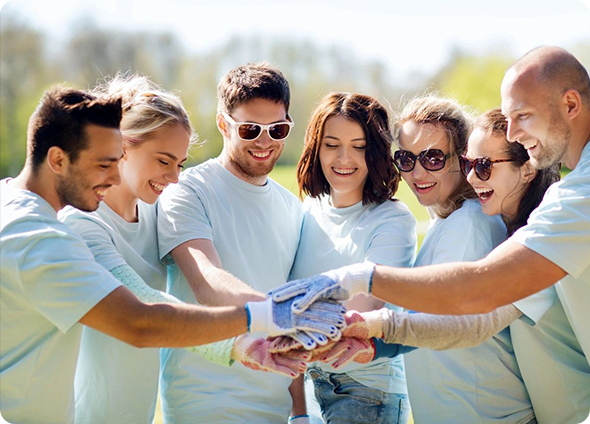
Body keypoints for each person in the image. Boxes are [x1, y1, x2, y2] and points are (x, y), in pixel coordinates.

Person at [0, 86, 343, 424]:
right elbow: (143, 313)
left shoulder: (151, 214)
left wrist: (252, 344)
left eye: (179, 163)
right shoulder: (58, 230)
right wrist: (262, 320)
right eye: (105, 163)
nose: (175, 177)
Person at [268, 46, 590, 367]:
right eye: (406, 159)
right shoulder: (563, 196)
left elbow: (477, 293)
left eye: (523, 116)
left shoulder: (573, 197)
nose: (513, 133)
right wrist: (382, 339)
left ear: (571, 104)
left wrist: (359, 279)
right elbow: (479, 321)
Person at [343, 109, 588, 423]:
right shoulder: (502, 229)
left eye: (483, 166)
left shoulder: (520, 241)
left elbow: (469, 323)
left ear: (527, 168)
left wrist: (363, 290)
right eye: (470, 164)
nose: (472, 177)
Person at [157, 62, 327, 423]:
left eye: (278, 129)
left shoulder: (290, 207)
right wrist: (284, 314)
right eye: (251, 129)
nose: (265, 141)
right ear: (223, 124)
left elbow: (289, 295)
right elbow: (207, 282)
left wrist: (299, 411)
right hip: (205, 403)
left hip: (275, 406)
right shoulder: (187, 192)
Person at [390, 96, 534, 423]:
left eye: (433, 158)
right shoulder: (451, 221)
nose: (417, 172)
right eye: (406, 159)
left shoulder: (469, 225)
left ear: (462, 157)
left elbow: (447, 324)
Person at [288, 92, 417, 424]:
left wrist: (282, 319)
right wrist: (298, 410)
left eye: (359, 146)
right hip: (306, 385)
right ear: (316, 148)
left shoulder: (393, 220)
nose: (344, 158)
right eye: (332, 144)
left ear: (375, 152)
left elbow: (363, 311)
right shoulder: (306, 212)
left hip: (366, 391)